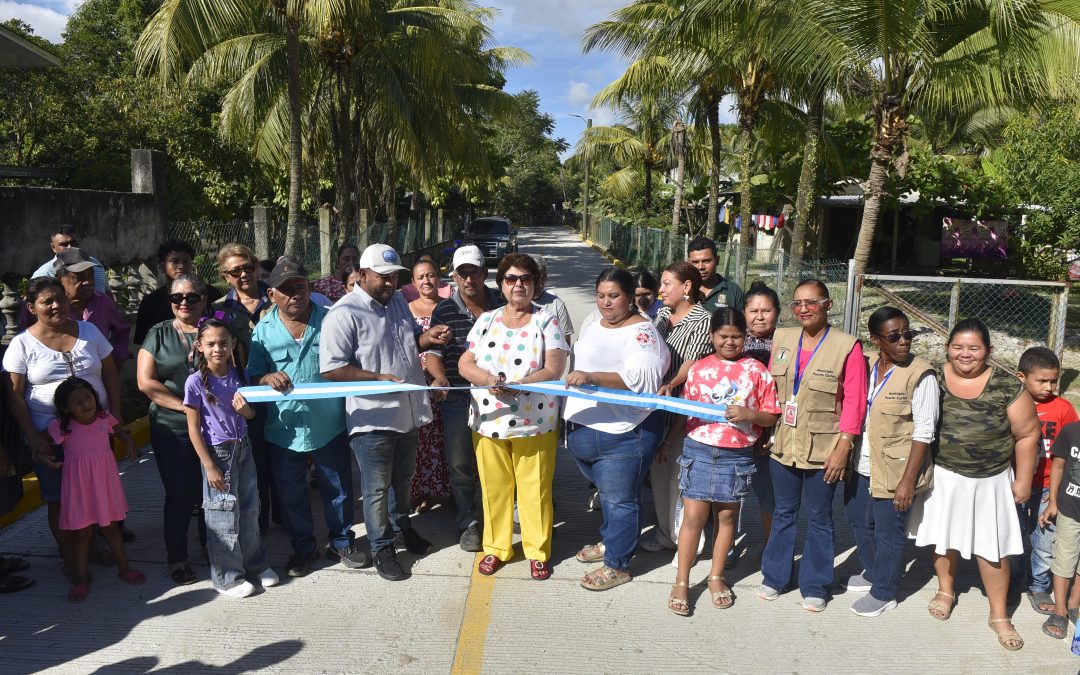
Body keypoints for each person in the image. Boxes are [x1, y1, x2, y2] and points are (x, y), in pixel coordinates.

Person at [907, 318, 1039, 651]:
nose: (965, 354)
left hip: (990, 481)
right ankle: (945, 590)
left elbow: (1027, 434)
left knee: (991, 549)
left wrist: (1023, 478)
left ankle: (999, 615)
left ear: (988, 351)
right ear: (947, 348)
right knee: (943, 538)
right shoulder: (933, 378)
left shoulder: (1008, 386)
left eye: (974, 348)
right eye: (958, 347)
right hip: (945, 477)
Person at [320, 243, 449, 581]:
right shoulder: (344, 313)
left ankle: (400, 526)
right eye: (383, 277)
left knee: (402, 481)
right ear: (361, 274)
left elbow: (410, 342)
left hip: (407, 414)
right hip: (372, 419)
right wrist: (376, 379)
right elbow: (331, 369)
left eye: (394, 277)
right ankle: (381, 547)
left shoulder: (397, 305)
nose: (390, 283)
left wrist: (428, 337)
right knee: (377, 488)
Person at [248, 259, 365, 576]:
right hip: (284, 428)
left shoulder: (331, 321)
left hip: (330, 424)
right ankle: (303, 548)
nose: (294, 295)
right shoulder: (262, 332)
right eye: (286, 290)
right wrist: (266, 377)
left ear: (309, 287)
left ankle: (342, 542)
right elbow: (253, 374)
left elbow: (353, 362)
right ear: (272, 294)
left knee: (338, 488)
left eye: (299, 287)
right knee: (291, 494)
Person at [457, 253, 569, 579]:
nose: (518, 284)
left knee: (534, 490)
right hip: (487, 419)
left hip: (535, 421)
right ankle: (497, 547)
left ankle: (537, 549)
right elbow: (466, 364)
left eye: (525, 279)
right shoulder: (487, 320)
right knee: (495, 489)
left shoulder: (546, 320)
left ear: (536, 284)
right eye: (511, 279)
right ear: (502, 284)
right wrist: (490, 381)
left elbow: (554, 367)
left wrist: (519, 386)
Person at [3, 277, 124, 579]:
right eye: (47, 301)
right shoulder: (22, 344)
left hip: (95, 433)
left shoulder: (90, 331)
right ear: (31, 307)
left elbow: (110, 375)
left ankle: (92, 548)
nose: (56, 305)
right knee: (58, 498)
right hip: (50, 437)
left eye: (59, 298)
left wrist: (116, 419)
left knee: (94, 493)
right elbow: (13, 395)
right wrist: (32, 436)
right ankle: (71, 558)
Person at [759, 279, 868, 612]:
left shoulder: (847, 346)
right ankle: (776, 576)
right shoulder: (783, 338)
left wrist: (844, 446)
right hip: (783, 445)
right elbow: (768, 387)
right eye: (797, 303)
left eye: (812, 302)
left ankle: (815, 583)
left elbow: (854, 401)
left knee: (820, 517)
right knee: (783, 512)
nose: (804, 309)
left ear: (828, 305)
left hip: (824, 450)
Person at [665, 308, 780, 615]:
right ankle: (681, 581)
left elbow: (771, 413)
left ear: (746, 337)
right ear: (712, 336)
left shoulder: (757, 370)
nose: (730, 342)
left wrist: (750, 415)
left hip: (736, 454)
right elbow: (685, 412)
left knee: (727, 518)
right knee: (693, 519)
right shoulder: (698, 369)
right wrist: (668, 441)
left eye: (737, 337)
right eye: (723, 336)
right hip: (699, 450)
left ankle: (717, 576)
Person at [564, 268, 669, 591]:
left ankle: (618, 564)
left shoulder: (642, 334)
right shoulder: (595, 324)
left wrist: (594, 377)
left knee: (620, 500)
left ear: (630, 298)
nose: (606, 303)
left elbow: (644, 381)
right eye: (601, 296)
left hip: (625, 431)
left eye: (614, 296)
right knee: (610, 498)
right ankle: (612, 542)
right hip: (586, 427)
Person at [843, 307, 939, 617]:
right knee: (860, 521)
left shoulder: (921, 375)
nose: (904, 341)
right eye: (894, 336)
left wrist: (907, 482)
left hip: (896, 469)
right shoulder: (867, 364)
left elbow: (924, 432)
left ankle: (884, 591)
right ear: (876, 340)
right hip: (862, 463)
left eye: (908, 334)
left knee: (888, 532)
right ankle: (874, 571)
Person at [183, 318, 278, 598]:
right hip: (218, 453)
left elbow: (249, 415)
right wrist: (209, 465)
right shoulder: (195, 382)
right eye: (211, 344)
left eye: (223, 343)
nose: (217, 349)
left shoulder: (239, 375)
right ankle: (227, 577)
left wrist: (246, 411)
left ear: (232, 344)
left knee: (249, 509)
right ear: (199, 346)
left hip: (242, 448)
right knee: (222, 513)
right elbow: (192, 428)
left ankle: (255, 564)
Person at [427, 245, 504, 551]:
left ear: (485, 273)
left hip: (498, 396)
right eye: (462, 273)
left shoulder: (502, 303)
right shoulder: (444, 309)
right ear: (455, 277)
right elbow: (433, 352)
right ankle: (468, 521)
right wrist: (439, 376)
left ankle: (496, 515)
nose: (468, 279)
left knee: (497, 459)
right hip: (459, 396)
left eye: (473, 271)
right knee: (460, 462)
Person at [136, 274, 210, 586]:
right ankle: (177, 558)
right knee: (180, 495)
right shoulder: (159, 332)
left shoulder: (215, 331)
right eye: (177, 298)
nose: (184, 303)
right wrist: (185, 408)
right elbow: (146, 382)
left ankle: (215, 550)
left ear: (203, 300)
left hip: (213, 429)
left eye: (192, 297)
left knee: (212, 493)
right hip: (172, 428)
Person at [48, 377, 144, 602]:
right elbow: (44, 448)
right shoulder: (61, 428)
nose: (85, 404)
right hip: (80, 488)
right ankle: (81, 579)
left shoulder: (104, 418)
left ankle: (124, 568)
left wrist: (129, 443)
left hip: (104, 485)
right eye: (77, 402)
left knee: (112, 528)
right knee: (82, 533)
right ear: (65, 408)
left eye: (88, 398)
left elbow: (118, 432)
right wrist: (42, 457)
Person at [642, 261, 713, 555]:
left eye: (667, 283)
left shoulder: (703, 320)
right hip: (656, 409)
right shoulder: (660, 316)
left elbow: (692, 363)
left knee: (680, 480)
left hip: (685, 411)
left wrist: (671, 385)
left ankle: (687, 542)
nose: (660, 290)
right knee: (660, 475)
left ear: (687, 287)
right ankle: (665, 533)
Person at [212, 243, 278, 533]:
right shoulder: (218, 310)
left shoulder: (277, 297)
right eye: (234, 271)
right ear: (226, 276)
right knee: (256, 460)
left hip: (280, 389)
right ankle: (259, 521)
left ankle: (286, 516)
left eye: (247, 267)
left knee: (284, 458)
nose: (243, 275)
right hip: (243, 395)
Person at [1011, 347, 1078, 614]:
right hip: (1015, 484)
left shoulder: (1063, 408)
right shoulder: (1012, 405)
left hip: (1050, 486)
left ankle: (1038, 585)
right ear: (1021, 377)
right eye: (1042, 381)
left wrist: (1058, 492)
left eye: (1054, 380)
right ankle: (1013, 584)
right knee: (1013, 537)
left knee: (1043, 540)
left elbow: (1073, 447)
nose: (1049, 387)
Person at [19, 248, 132, 365]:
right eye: (79, 278)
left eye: (91, 276)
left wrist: (117, 359)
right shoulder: (45, 307)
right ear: (59, 278)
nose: (88, 282)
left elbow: (121, 331)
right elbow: (23, 339)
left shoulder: (102, 301)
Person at [407, 259, 451, 511]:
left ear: (438, 278)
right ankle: (420, 492)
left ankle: (445, 491)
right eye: (421, 277)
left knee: (442, 438)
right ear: (413, 283)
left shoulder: (447, 308)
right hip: (415, 384)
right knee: (420, 441)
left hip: (444, 385)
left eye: (431, 275)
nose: (426, 281)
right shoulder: (405, 309)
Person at [742, 281, 782, 544]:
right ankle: (727, 545)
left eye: (766, 311)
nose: (759, 316)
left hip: (771, 429)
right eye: (753, 311)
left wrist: (769, 431)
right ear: (744, 312)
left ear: (777, 313)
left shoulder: (786, 344)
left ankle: (773, 548)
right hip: (737, 429)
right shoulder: (733, 341)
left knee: (769, 495)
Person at [133, 240, 222, 345]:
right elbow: (142, 342)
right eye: (174, 261)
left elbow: (222, 321)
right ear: (162, 266)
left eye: (186, 261)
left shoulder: (211, 293)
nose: (181, 266)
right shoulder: (151, 302)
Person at [1039, 419, 1080, 639]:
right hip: (1070, 509)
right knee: (1064, 558)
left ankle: (1074, 604)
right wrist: (1053, 502)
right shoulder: (1072, 431)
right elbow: (1058, 465)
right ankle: (1060, 609)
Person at [31, 225, 108, 294]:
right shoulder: (44, 273)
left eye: (74, 242)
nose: (70, 247)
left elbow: (107, 293)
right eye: (64, 244)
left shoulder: (94, 263)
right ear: (53, 247)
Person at [686, 236, 745, 313]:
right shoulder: (680, 290)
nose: (700, 267)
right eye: (695, 262)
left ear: (717, 260)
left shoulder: (733, 292)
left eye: (706, 261)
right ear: (688, 263)